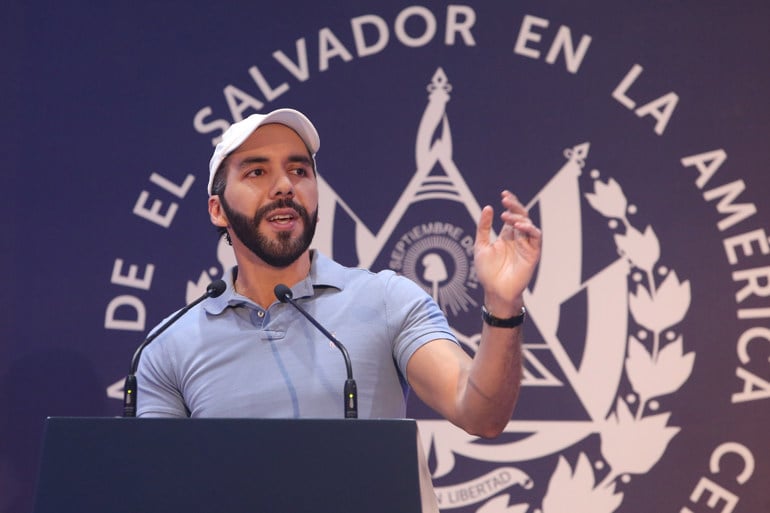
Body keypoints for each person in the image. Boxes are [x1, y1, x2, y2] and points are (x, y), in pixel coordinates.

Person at [137, 108, 541, 439]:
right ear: (217, 209)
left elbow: (480, 413)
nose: (284, 186)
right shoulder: (168, 344)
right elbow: (156, 482)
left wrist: (502, 304)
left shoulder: (385, 300)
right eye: (256, 172)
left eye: (299, 171)